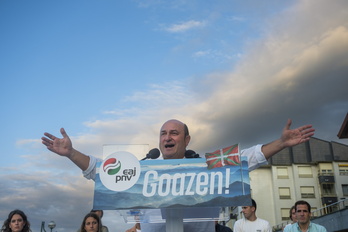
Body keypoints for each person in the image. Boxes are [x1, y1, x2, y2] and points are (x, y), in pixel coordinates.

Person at [42, 118, 315, 232]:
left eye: (174, 133)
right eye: (163, 133)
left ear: (186, 139)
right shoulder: (141, 169)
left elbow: (247, 159)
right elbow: (99, 170)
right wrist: (71, 153)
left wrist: (281, 144)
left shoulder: (205, 164)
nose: (167, 137)